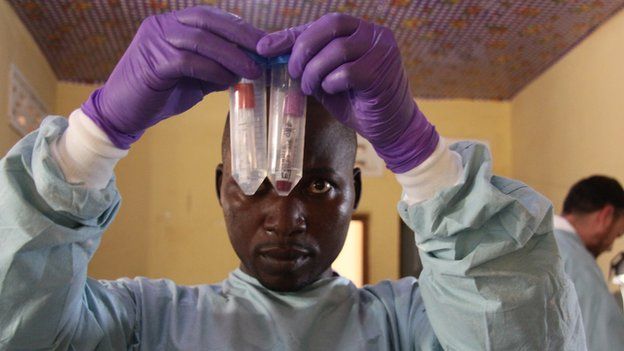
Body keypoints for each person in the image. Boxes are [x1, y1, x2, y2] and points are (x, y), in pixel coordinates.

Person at [0, 6, 586, 350]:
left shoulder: (409, 327)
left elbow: (523, 333)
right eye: (254, 184)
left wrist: (422, 158)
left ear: (355, 191)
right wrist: (91, 140)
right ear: (220, 190)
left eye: (321, 186)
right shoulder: (145, 323)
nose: (285, 219)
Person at [554, 175, 624, 350]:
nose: (609, 248)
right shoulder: (579, 266)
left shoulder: (534, 243)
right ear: (606, 216)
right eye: (617, 235)